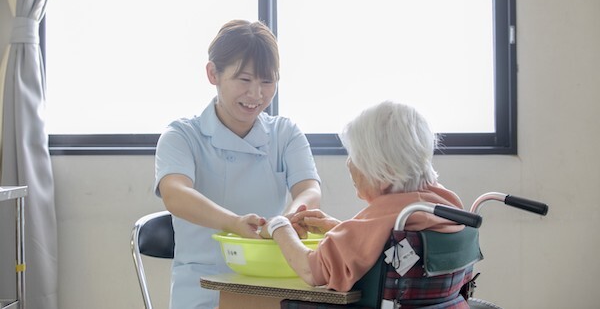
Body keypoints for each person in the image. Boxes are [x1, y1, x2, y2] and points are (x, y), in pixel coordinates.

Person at [155, 19, 322, 309]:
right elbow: (175, 194)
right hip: (203, 286)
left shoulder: (285, 133)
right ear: (213, 73)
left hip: (272, 283)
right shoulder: (182, 135)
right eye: (244, 80)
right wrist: (232, 223)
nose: (256, 95)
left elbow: (309, 190)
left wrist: (287, 221)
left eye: (267, 82)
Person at [260, 101, 464, 293]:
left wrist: (280, 226)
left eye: (355, 156)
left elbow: (310, 271)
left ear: (384, 173)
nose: (349, 163)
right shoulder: (447, 206)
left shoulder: (379, 222)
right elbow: (387, 247)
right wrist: (340, 228)